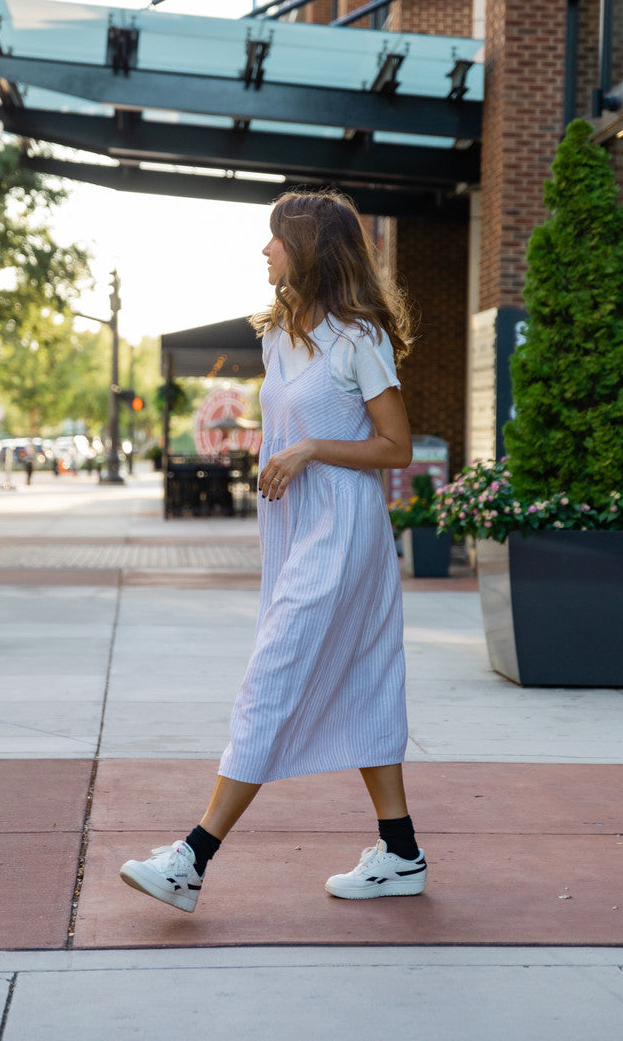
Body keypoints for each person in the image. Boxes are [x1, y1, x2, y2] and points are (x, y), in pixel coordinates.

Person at [119, 189, 425, 912]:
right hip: (296, 533)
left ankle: (190, 859)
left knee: (270, 679)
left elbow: (397, 446)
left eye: (274, 239)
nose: (264, 250)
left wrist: (311, 448)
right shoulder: (277, 335)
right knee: (364, 679)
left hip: (343, 532)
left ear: (310, 250)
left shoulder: (359, 339)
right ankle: (401, 853)